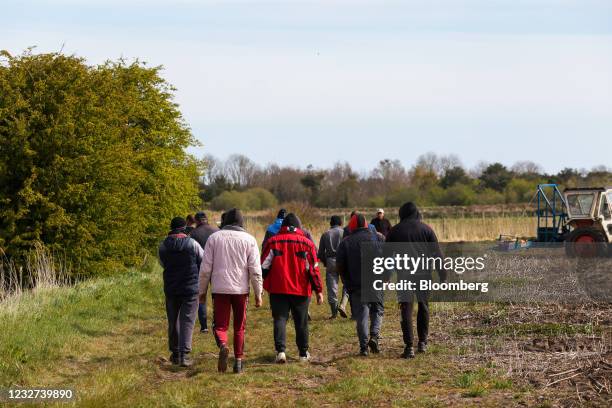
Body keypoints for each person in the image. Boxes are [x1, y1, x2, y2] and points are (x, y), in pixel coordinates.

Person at [199, 208, 263, 374]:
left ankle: (223, 345)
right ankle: (239, 362)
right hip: (241, 290)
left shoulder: (214, 238)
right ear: (242, 222)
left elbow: (205, 269)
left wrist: (202, 291)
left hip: (220, 289)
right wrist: (258, 293)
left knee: (220, 325)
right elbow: (255, 269)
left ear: (225, 221)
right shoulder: (249, 240)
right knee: (239, 326)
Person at [261, 213, 324, 363]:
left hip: (277, 289)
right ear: (298, 226)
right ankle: (303, 354)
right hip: (301, 290)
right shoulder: (307, 244)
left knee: (280, 319)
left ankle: (280, 352)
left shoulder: (272, 242)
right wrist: (319, 290)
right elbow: (313, 270)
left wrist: (260, 285)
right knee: (301, 321)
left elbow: (263, 266)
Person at [387, 202, 447, 359]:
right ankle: (422, 342)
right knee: (424, 305)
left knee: (406, 308)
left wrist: (385, 277)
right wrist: (443, 275)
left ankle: (408, 347)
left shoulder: (394, 231)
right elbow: (437, 254)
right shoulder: (426, 229)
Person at [336, 213, 385, 356]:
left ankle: (364, 348)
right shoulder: (377, 238)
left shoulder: (346, 242)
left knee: (362, 315)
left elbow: (340, 265)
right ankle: (374, 336)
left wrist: (346, 280)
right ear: (365, 225)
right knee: (377, 310)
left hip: (356, 284)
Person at [158, 217, 204, 367]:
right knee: (187, 320)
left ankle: (175, 353)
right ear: (184, 228)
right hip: (190, 288)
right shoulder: (192, 243)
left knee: (173, 320)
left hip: (171, 288)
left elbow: (162, 263)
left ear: (171, 228)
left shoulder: (163, 245)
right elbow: (202, 260)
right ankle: (184, 355)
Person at [190, 212, 219, 334]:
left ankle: (204, 326)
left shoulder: (193, 234)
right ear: (206, 219)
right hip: (216, 267)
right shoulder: (216, 231)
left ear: (196, 221)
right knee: (217, 295)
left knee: (201, 295)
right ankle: (217, 322)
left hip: (199, 267)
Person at [317, 215, 349, 319]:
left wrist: (326, 262)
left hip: (331, 260)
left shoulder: (325, 234)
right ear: (340, 223)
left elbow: (320, 253)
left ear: (330, 223)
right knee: (347, 283)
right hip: (344, 260)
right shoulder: (345, 233)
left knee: (332, 287)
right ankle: (343, 304)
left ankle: (334, 312)